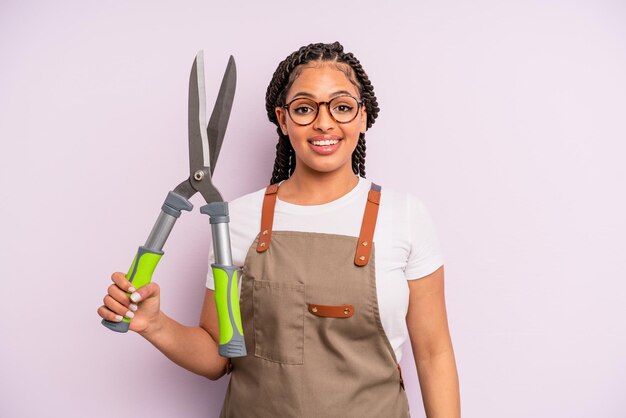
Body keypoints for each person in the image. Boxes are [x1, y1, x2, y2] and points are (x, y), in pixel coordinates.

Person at [98, 41, 460, 417]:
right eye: (304, 108)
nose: (324, 122)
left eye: (342, 107)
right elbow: (217, 357)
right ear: (283, 119)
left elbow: (434, 354)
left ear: (363, 117)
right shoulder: (236, 220)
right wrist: (154, 324)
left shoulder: (404, 215)